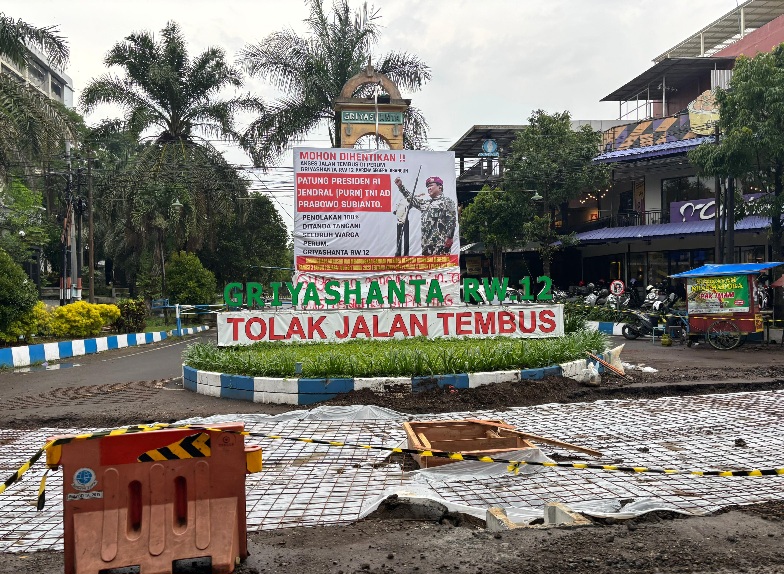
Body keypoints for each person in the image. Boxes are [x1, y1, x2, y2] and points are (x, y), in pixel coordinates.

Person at [394, 175, 457, 255]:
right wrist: (401, 186)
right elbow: (411, 199)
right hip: (426, 247)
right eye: (427, 187)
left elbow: (451, 220)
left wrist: (450, 237)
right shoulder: (426, 203)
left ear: (439, 187)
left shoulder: (447, 201)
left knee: (440, 267)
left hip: (440, 246)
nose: (428, 188)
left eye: (431, 186)